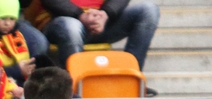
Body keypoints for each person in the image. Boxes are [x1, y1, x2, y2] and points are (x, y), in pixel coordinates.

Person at [28, 0, 158, 74]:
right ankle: (74, 86)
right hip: (60, 21)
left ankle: (132, 78)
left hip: (102, 21)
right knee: (72, 26)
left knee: (148, 10)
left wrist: (106, 13)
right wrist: (80, 15)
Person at [0, 0, 37, 83]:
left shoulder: (17, 36)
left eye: (12, 19)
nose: (7, 23)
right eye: (3, 18)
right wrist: (18, 70)